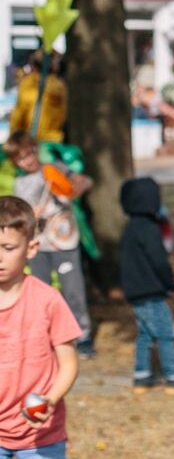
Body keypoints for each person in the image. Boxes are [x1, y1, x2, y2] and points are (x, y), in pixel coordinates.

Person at [0, 196, 80, 459]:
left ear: (31, 248)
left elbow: (68, 364)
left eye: (8, 248)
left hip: (40, 437)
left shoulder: (48, 300)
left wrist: (50, 399)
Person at [6, 131, 96, 359]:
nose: (28, 160)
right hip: (37, 244)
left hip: (64, 240)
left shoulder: (55, 168)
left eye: (30, 153)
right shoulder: (20, 183)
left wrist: (71, 187)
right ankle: (45, 337)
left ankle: (82, 335)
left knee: (72, 289)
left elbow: (85, 181)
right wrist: (29, 216)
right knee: (39, 291)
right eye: (21, 158)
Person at [118, 177, 174, 393]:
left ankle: (142, 375)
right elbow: (159, 261)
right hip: (152, 292)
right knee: (166, 333)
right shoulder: (149, 228)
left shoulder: (129, 228)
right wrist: (169, 283)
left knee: (145, 333)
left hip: (135, 292)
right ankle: (173, 377)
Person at [9, 51, 68, 143]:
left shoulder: (29, 83)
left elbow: (19, 115)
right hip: (56, 141)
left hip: (33, 142)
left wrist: (14, 136)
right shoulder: (61, 86)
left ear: (34, 66)